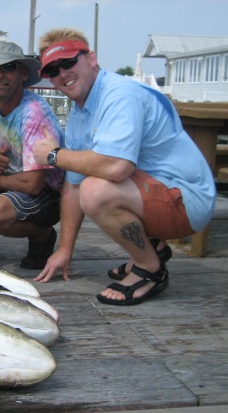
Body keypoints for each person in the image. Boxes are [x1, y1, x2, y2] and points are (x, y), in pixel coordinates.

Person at [33, 28, 216, 305]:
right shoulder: (79, 114)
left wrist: (53, 155)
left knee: (95, 190)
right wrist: (64, 250)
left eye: (68, 62)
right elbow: (71, 185)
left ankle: (150, 269)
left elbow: (116, 167)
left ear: (91, 59)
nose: (62, 73)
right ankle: (151, 247)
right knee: (85, 184)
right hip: (159, 193)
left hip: (189, 201)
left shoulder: (121, 95)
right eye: (52, 70)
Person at [0, 42, 65, 269]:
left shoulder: (34, 114)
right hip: (10, 179)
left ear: (23, 73)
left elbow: (33, 184)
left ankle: (42, 234)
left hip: (47, 193)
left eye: (8, 68)